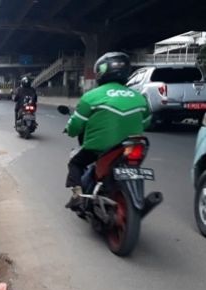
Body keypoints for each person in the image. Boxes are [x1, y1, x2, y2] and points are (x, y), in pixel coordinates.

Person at [64, 52, 151, 208]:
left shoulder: (90, 97)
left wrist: (69, 130)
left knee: (75, 162)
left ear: (102, 71)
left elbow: (75, 126)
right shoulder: (139, 97)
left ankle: (77, 195)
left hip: (99, 149)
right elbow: (146, 122)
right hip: (131, 147)